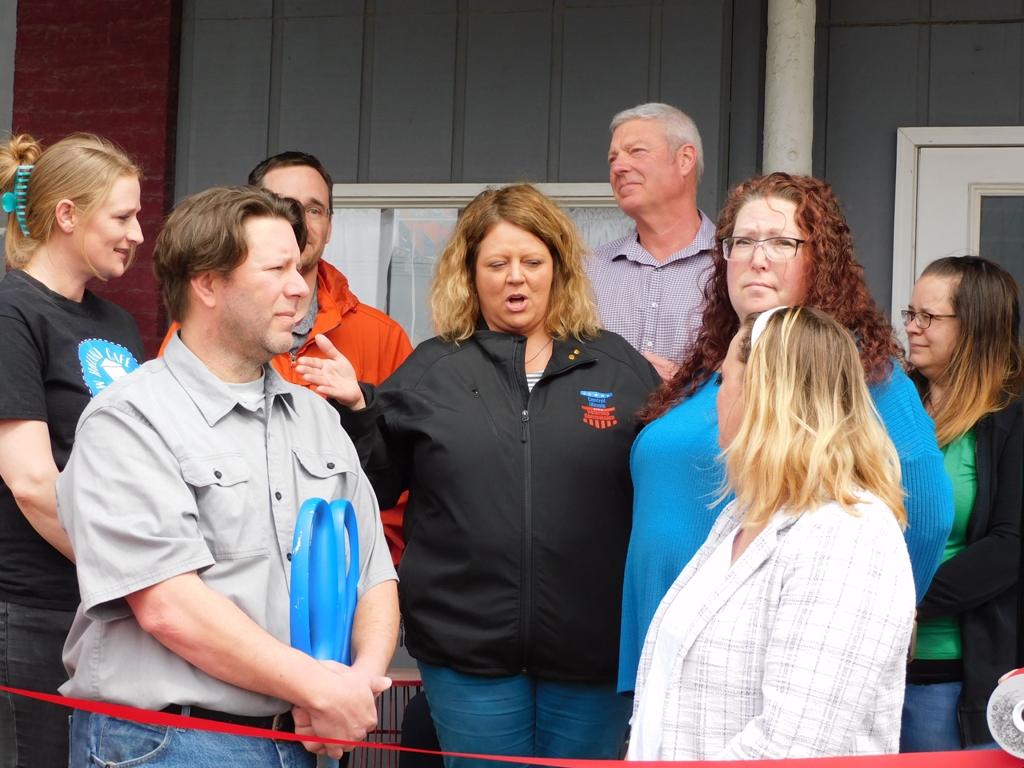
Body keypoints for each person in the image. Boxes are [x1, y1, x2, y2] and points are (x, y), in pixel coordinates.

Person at [314, 184, 662, 767]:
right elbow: (377, 487)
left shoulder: (619, 367)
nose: (515, 278)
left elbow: (661, 493)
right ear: (470, 275)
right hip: (466, 656)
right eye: (497, 264)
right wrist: (357, 411)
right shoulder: (433, 368)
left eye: (532, 262)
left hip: (595, 655)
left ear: (559, 269)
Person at [57, 186, 399, 767]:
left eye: (299, 268)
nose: (300, 287)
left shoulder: (317, 417)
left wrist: (358, 683)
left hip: (298, 739)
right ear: (208, 284)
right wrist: (322, 691)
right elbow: (168, 605)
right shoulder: (129, 419)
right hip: (167, 744)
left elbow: (374, 572)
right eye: (276, 269)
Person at [619, 172, 954, 695]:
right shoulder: (708, 369)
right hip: (662, 654)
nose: (758, 258)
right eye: (743, 242)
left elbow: (926, 515)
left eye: (782, 242)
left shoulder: (860, 371)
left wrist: (856, 629)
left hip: (759, 664)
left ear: (821, 260)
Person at [628, 306, 916, 760]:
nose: (716, 401)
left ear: (764, 393)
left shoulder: (848, 533)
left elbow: (794, 746)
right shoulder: (743, 515)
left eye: (723, 381)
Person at [160, 151, 414, 564]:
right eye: (283, 204)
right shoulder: (206, 333)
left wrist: (357, 571)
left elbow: (401, 483)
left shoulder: (383, 336)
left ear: (330, 225)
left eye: (314, 209)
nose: (299, 221)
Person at [0, 132, 145, 768]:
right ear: (67, 215)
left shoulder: (118, 323)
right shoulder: (12, 314)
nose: (138, 233)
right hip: (33, 608)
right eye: (123, 217)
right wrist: (133, 578)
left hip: (105, 602)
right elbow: (32, 483)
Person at [900, 256, 1024, 751]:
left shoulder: (1012, 417)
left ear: (976, 327)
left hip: (952, 677)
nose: (912, 327)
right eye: (910, 313)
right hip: (871, 667)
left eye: (928, 317)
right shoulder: (893, 404)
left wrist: (905, 605)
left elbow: (1010, 545)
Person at [586, 103, 716, 380]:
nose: (618, 167)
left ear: (685, 159)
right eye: (612, 159)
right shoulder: (588, 270)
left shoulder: (736, 265)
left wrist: (689, 390)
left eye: (636, 151)